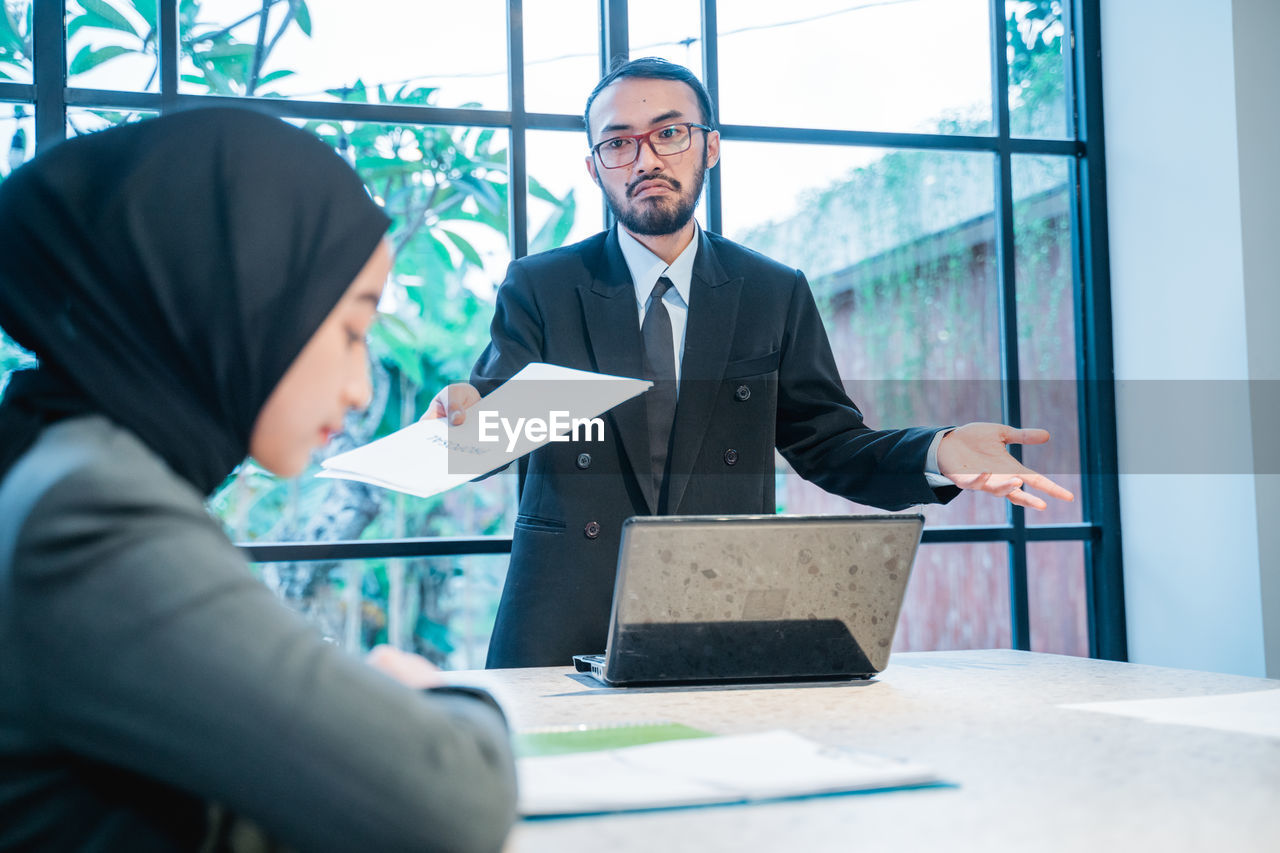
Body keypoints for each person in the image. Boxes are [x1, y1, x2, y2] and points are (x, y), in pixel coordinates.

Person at [430, 57, 1073, 669]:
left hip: (717, 606)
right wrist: (465, 424)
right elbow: (492, 424)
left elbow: (828, 444)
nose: (645, 159)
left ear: (710, 146)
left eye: (670, 133)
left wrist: (938, 450)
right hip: (559, 619)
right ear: (596, 167)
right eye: (618, 143)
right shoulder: (542, 285)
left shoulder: (772, 290)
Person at [0, 109, 516, 852]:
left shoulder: (58, 456)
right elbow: (454, 802)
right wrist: (447, 702)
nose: (362, 389)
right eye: (351, 330)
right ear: (240, 299)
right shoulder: (93, 513)